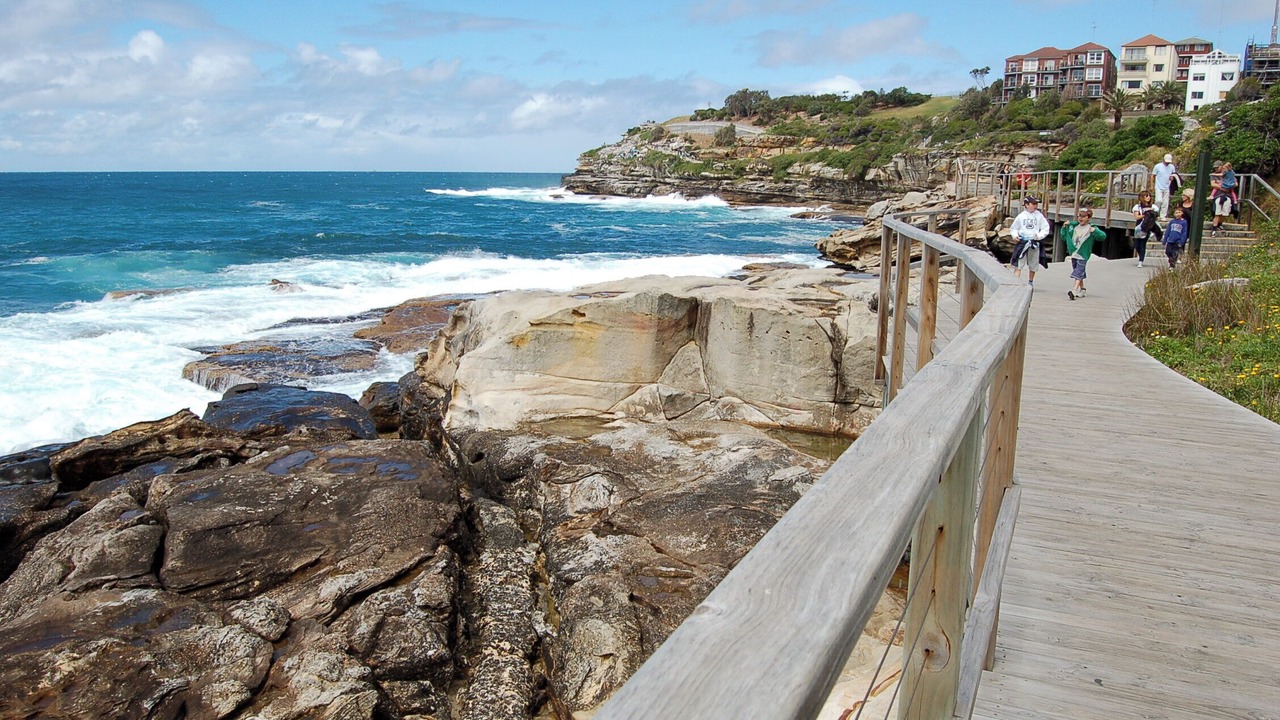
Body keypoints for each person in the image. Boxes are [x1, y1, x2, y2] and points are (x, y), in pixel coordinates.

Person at [1061, 207, 1106, 300]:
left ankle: (1074, 290)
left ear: (1088, 218)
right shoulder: (1074, 226)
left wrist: (1095, 231)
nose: (1081, 218)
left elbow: (1102, 236)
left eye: (1083, 216)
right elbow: (1064, 236)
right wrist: (1064, 227)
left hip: (1083, 254)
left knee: (1078, 272)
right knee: (1079, 271)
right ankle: (1082, 289)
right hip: (1074, 253)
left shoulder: (1091, 228)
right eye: (1079, 216)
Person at [1010, 195, 1050, 287]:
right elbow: (1014, 228)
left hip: (1034, 241)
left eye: (1036, 204)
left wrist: (1039, 236)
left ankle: (1030, 281)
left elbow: (1045, 228)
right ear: (1027, 205)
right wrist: (1015, 235)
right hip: (1023, 241)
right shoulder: (1021, 216)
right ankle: (1016, 281)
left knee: (1033, 262)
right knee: (1019, 262)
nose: (1035, 206)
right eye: (1033, 204)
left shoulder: (1039, 216)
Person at [1131, 190, 1160, 267]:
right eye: (1146, 196)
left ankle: (1141, 261)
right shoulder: (1137, 207)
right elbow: (1137, 217)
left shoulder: (1153, 207)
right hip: (1139, 226)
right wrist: (1146, 214)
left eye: (1149, 196)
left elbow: (1156, 216)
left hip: (1148, 227)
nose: (1148, 197)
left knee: (1143, 243)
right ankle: (1140, 255)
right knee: (1136, 244)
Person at [1210, 162, 1238, 235]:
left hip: (1228, 195)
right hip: (1218, 195)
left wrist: (1229, 186)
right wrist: (1223, 188)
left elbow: (1235, 183)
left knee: (1225, 212)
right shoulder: (1214, 175)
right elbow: (1213, 184)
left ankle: (1219, 224)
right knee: (1217, 212)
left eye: (1217, 167)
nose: (1216, 169)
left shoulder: (1229, 173)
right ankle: (1214, 228)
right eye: (1215, 168)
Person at [1151, 154, 1179, 219]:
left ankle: (1163, 216)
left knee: (1165, 202)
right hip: (1158, 186)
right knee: (1158, 200)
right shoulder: (1158, 166)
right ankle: (1155, 214)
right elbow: (1153, 175)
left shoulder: (1171, 167)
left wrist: (1172, 177)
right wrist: (1152, 185)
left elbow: (1173, 174)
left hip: (1167, 186)